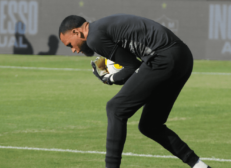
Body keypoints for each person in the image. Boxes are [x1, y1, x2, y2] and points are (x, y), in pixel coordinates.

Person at [58, 14, 211, 168]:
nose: (73, 50)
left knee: (115, 108)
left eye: (70, 44)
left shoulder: (94, 37)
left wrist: (110, 79)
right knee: (150, 125)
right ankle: (200, 166)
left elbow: (133, 67)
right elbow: (135, 67)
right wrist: (114, 78)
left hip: (163, 57)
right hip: (182, 57)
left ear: (77, 32)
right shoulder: (100, 28)